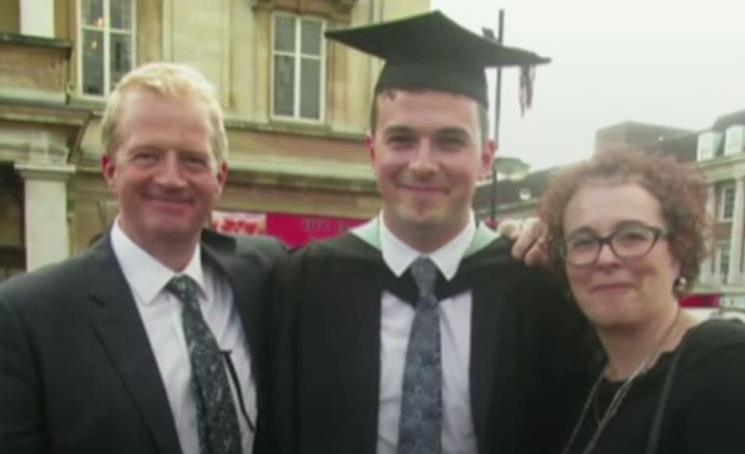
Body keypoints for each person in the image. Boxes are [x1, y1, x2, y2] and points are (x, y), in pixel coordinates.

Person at [256, 11, 591, 454]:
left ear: (487, 157)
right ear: (372, 149)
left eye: (450, 141)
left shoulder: (535, 288)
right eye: (401, 140)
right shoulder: (304, 283)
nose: (423, 163)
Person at [0, 63, 286, 454]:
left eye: (193, 160)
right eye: (147, 156)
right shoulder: (28, 316)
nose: (171, 178)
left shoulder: (266, 273)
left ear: (220, 178)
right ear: (109, 170)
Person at [537, 148, 745, 454]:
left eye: (632, 236)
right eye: (583, 242)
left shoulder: (726, 364)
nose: (605, 258)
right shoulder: (584, 377)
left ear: (678, 252)